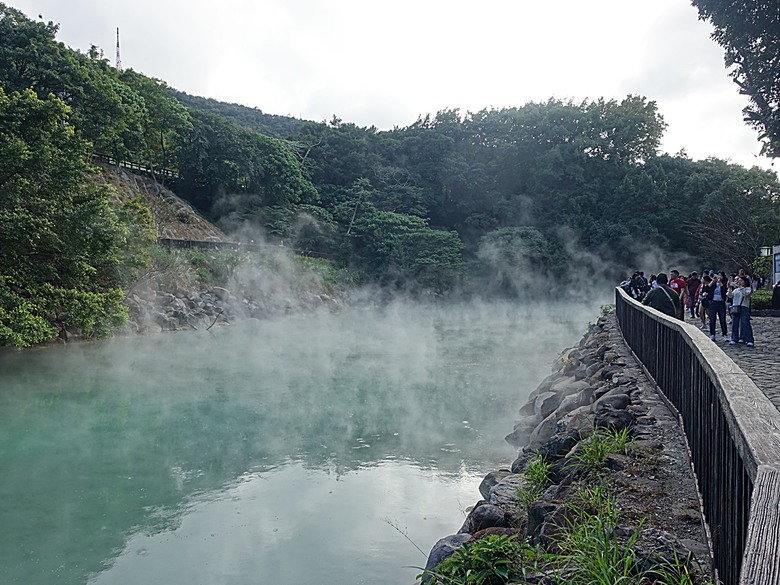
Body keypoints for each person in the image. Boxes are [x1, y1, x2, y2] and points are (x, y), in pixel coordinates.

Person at [702, 272, 729, 341]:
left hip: (721, 303)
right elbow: (705, 289)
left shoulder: (724, 283)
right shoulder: (712, 284)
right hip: (713, 303)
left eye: (720, 275)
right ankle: (712, 334)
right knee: (712, 319)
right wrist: (712, 282)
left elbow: (724, 291)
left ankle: (725, 334)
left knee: (722, 320)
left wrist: (720, 283)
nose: (718, 277)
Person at [729, 275, 755, 346]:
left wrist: (741, 287)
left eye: (740, 281)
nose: (739, 282)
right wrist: (729, 288)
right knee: (735, 324)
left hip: (744, 307)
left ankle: (749, 339)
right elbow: (730, 296)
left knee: (745, 323)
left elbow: (746, 294)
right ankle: (734, 338)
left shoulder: (748, 289)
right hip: (735, 307)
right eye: (738, 281)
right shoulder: (736, 290)